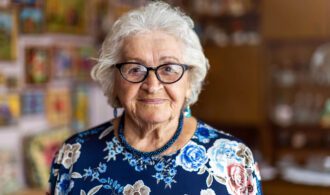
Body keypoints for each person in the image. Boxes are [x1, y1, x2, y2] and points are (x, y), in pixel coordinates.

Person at [49, 2, 262, 195]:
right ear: (114, 81)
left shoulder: (232, 159)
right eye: (135, 69)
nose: (152, 85)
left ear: (189, 82)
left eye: (169, 68)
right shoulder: (74, 156)